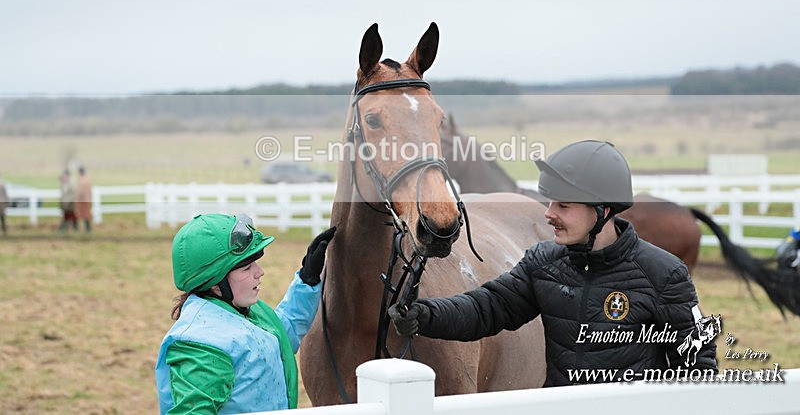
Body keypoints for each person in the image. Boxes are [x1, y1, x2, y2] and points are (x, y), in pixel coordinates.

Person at [389, 140, 717, 386]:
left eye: (563, 205)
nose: (549, 213)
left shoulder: (665, 274)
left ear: (603, 210)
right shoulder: (543, 263)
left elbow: (698, 365)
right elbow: (487, 308)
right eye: (549, 202)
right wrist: (426, 315)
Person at [155, 213, 335, 414]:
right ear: (215, 281)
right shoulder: (201, 345)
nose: (259, 272)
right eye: (246, 268)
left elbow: (278, 340)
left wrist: (307, 279)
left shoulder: (243, 310)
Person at [75, 166, 93, 232]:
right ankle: (88, 229)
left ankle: (77, 229)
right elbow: (90, 191)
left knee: (80, 214)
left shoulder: (81, 180)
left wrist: (77, 199)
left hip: (82, 201)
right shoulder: (88, 179)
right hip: (87, 200)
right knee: (87, 215)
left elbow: (80, 192)